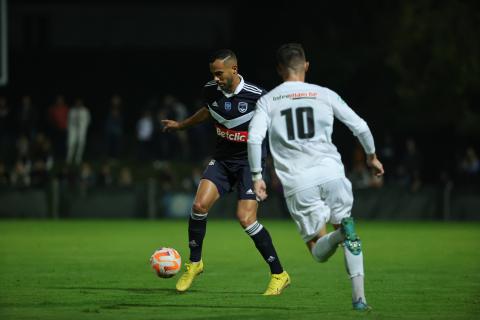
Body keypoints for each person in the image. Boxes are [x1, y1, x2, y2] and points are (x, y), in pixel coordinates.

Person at [247, 43, 384, 310]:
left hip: (299, 182)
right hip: (333, 172)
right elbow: (360, 125)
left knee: (318, 252)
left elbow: (254, 139)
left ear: (279, 69)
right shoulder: (324, 94)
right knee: (348, 232)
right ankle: (359, 299)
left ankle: (339, 235)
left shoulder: (268, 100)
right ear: (306, 66)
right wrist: (371, 156)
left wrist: (256, 175)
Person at [162, 49, 290, 295]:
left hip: (249, 165)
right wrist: (181, 125)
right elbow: (208, 112)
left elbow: (277, 126)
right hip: (222, 161)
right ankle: (195, 263)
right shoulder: (210, 90)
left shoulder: (258, 96)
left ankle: (279, 274)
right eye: (213, 74)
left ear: (234, 69)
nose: (216, 78)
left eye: (219, 73)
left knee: (246, 219)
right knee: (199, 206)